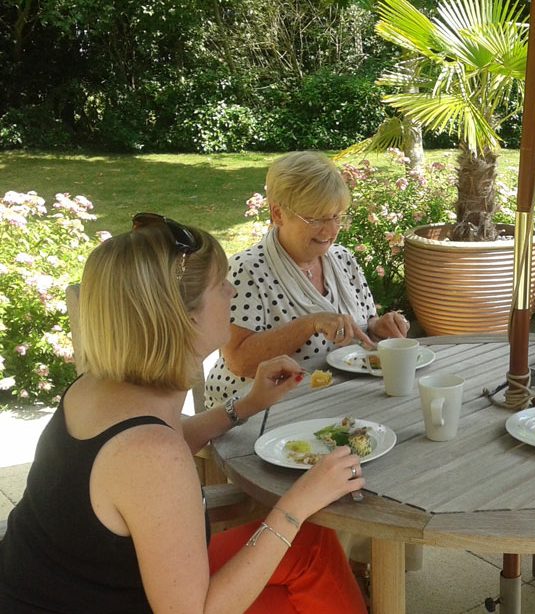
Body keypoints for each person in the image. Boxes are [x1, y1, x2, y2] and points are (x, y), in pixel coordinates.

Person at [0, 214, 368, 612]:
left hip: (60, 583)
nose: (232, 290)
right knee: (299, 539)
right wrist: (296, 506)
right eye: (220, 284)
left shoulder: (98, 387)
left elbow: (161, 446)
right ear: (184, 316)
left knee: (310, 549)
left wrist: (246, 405)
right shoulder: (151, 454)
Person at [205, 150, 410, 408]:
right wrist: (309, 324)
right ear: (278, 214)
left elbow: (364, 325)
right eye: (316, 219)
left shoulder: (343, 259)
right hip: (251, 413)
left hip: (327, 400)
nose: (331, 230)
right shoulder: (247, 271)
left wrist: (379, 326)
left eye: (336, 216)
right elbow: (238, 361)